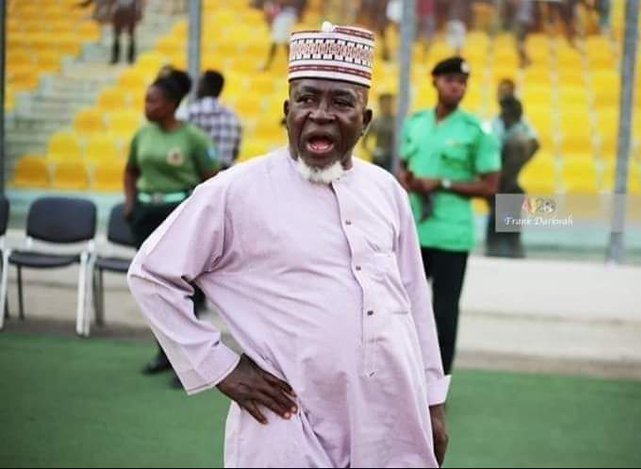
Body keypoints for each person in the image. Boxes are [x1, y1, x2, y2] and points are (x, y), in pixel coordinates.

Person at [128, 23, 450, 467]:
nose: (321, 114)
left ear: (365, 121)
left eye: (341, 102)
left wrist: (432, 401)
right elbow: (150, 274)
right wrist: (220, 367)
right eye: (306, 99)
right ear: (287, 111)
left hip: (388, 417)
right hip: (289, 420)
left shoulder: (386, 190)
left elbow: (413, 301)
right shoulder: (236, 191)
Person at [399, 57, 501, 375]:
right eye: (450, 80)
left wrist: (442, 183)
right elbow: (403, 165)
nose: (457, 87)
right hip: (414, 230)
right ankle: (403, 373)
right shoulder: (416, 123)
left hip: (451, 235)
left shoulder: (476, 131)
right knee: (402, 306)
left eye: (462, 82)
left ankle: (438, 381)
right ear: (435, 81)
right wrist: (410, 180)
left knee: (443, 312)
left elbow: (491, 186)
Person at [123, 70, 221, 379]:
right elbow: (130, 170)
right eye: (146, 100)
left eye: (153, 101)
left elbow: (212, 181)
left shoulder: (193, 138)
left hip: (178, 214)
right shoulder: (142, 135)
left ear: (172, 104)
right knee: (154, 288)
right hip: (146, 215)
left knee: (184, 289)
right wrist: (130, 204)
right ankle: (164, 353)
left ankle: (193, 362)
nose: (147, 106)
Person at [486, 95, 540, 258]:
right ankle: (499, 247)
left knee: (507, 207)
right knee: (502, 210)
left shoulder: (522, 127)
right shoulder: (494, 125)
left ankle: (508, 247)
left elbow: (535, 144)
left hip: (508, 179)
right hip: (497, 173)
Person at [188, 70, 243, 170]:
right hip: (226, 173)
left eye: (199, 84)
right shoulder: (233, 116)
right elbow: (235, 153)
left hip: (200, 173)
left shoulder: (192, 112)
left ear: (204, 86)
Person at [261, 0, 298, 71]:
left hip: (285, 20)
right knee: (278, 44)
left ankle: (292, 65)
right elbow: (268, 16)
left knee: (284, 44)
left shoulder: (290, 10)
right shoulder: (271, 6)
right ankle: (268, 65)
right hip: (280, 21)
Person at [361, 92, 395, 171]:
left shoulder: (396, 122)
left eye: (389, 103)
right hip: (379, 158)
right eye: (384, 103)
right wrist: (373, 152)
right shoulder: (376, 122)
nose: (386, 106)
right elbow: (364, 141)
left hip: (392, 158)